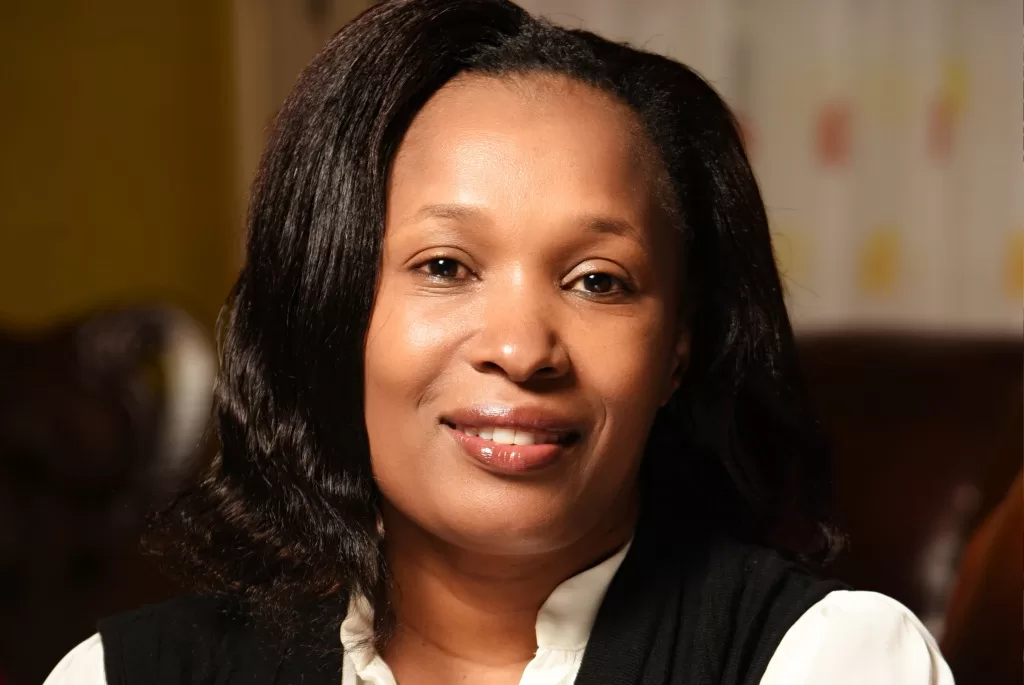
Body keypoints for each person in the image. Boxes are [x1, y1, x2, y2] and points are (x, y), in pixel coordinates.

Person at [45, 1, 953, 683]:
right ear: (332, 307)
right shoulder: (123, 674)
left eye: (598, 280)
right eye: (445, 265)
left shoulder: (829, 659)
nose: (522, 350)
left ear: (677, 348)